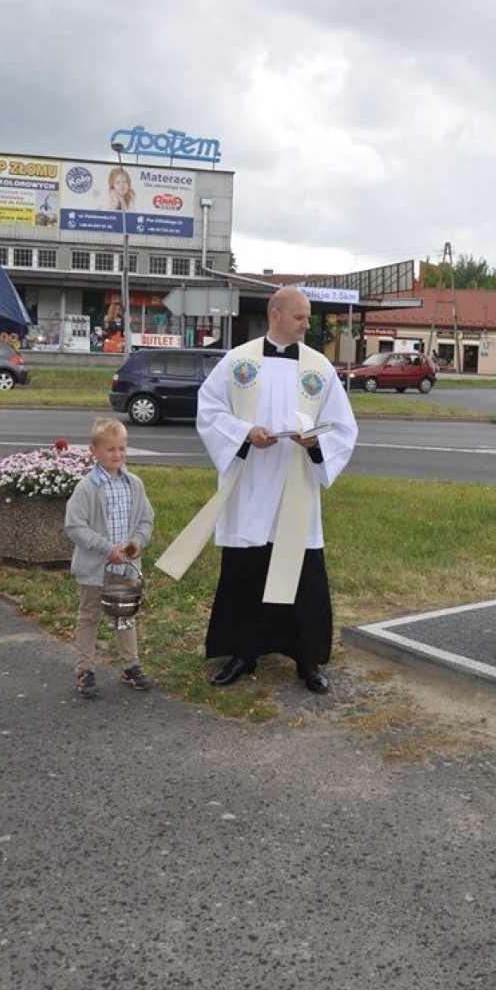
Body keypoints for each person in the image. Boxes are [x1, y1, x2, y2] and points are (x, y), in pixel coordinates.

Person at [196, 287, 358, 694]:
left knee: (300, 576)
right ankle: (242, 653)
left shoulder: (318, 368)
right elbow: (210, 409)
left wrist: (315, 442)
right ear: (276, 314)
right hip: (251, 485)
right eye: (301, 317)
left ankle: (307, 660)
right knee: (246, 573)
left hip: (294, 485)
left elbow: (343, 425)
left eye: (307, 318)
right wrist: (245, 432)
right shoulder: (238, 362)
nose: (307, 324)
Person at [64, 417, 154, 699]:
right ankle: (85, 669)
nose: (117, 455)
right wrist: (106, 548)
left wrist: (137, 542)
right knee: (89, 615)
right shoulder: (87, 488)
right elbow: (75, 526)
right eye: (110, 449)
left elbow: (146, 519)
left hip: (126, 569)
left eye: (122, 449)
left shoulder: (134, 484)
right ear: (94, 451)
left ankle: (131, 665)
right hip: (96, 568)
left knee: (125, 615)